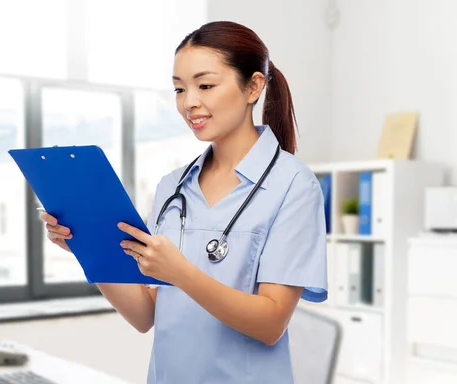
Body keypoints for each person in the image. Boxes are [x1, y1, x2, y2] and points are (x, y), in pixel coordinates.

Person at [40, 20, 328, 384]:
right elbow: (146, 316)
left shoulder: (294, 186)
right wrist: (86, 247)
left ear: (253, 86)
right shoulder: (172, 186)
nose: (189, 102)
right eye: (179, 89)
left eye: (205, 85)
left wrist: (180, 272)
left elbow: (271, 323)